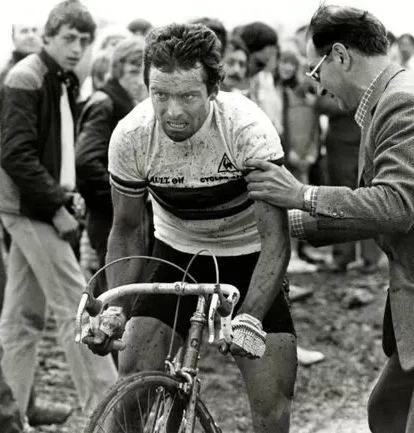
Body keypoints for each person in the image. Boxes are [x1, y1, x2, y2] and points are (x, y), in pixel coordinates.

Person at [83, 23, 297, 432]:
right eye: (160, 94)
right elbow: (127, 230)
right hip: (177, 251)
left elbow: (276, 241)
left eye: (188, 96)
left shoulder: (247, 129)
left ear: (213, 90)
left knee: (271, 405)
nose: (173, 111)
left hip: (250, 254)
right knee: (131, 386)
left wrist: (250, 317)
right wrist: (116, 308)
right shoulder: (132, 135)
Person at [245, 5, 414, 432]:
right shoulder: (388, 98)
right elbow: (378, 214)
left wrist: (301, 195)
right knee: (387, 412)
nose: (317, 85)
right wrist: (289, 224)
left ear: (340, 55)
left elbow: (395, 206)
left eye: (315, 70)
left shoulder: (401, 102)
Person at [0, 0, 118, 423]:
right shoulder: (27, 77)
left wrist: (65, 196)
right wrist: (56, 206)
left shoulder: (58, 78)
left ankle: (11, 414)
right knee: (77, 308)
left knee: (23, 318)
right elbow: (15, 155)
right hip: (28, 209)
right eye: (69, 38)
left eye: (85, 40)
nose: (77, 47)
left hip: (37, 205)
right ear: (48, 37)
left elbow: (52, 152)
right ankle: (112, 414)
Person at [76, 36, 148, 296]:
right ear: (117, 71)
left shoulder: (131, 104)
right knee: (114, 293)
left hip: (123, 216)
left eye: (144, 72)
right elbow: (86, 162)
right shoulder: (105, 102)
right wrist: (126, 196)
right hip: (109, 217)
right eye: (133, 72)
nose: (140, 80)